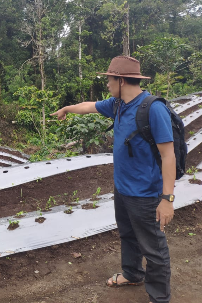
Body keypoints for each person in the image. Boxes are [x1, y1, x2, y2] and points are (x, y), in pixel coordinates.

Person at [52, 56, 176, 303]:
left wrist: (167, 199)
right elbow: (90, 106)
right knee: (128, 234)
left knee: (154, 247)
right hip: (123, 189)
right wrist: (67, 109)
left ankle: (159, 296)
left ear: (120, 80)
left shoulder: (153, 109)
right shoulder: (118, 104)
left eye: (109, 79)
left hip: (146, 194)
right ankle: (132, 274)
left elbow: (168, 154)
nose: (107, 84)